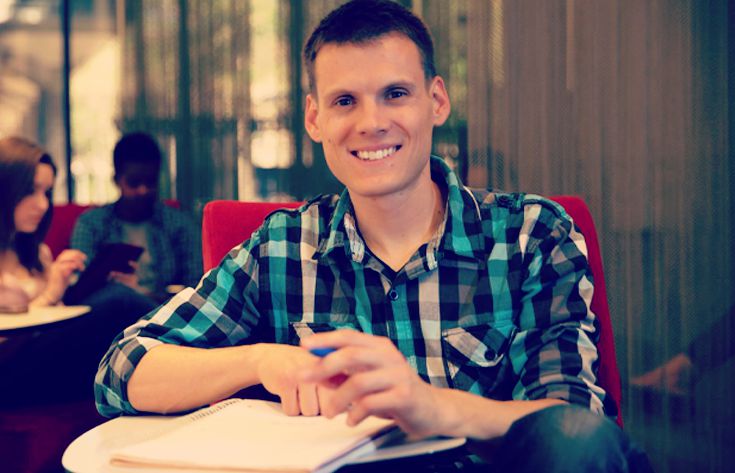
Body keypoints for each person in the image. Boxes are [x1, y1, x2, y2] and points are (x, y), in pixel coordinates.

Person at [95, 1, 651, 471]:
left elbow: (574, 423)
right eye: (344, 101)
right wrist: (260, 360)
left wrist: (429, 405)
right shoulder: (282, 247)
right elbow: (121, 369)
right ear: (314, 120)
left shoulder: (532, 234)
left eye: (395, 94)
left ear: (436, 101)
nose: (371, 122)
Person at [0, 136, 155, 404]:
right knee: (118, 300)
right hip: (10, 375)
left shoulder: (36, 253)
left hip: (49, 365)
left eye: (47, 192)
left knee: (122, 327)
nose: (43, 204)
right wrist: (49, 295)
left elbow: (56, 322)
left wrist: (67, 289)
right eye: (30, 191)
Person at [71, 132, 201, 303]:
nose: (143, 190)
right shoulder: (92, 224)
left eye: (150, 182)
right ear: (116, 180)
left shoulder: (178, 224)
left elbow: (197, 288)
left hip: (164, 315)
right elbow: (80, 289)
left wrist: (142, 295)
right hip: (109, 314)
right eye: (134, 183)